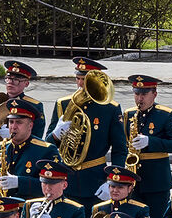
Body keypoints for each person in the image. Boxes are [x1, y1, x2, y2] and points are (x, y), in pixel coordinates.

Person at [49, 57, 125, 207]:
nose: (80, 84)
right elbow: (48, 146)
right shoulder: (63, 104)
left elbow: (119, 149)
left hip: (95, 180)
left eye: (84, 80)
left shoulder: (109, 108)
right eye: (78, 78)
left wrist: (112, 181)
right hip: (66, 180)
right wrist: (56, 135)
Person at [122, 75, 172, 218]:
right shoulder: (129, 114)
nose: (139, 99)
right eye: (136, 94)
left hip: (157, 181)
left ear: (154, 94)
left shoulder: (166, 114)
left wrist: (151, 141)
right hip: (135, 181)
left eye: (144, 94)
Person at [0, 98, 53, 200]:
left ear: (30, 126)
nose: (13, 127)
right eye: (11, 122)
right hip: (1, 207)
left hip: (30, 207)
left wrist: (20, 182)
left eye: (19, 122)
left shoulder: (46, 150)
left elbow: (53, 185)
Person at [0, 61, 46, 137]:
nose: (11, 82)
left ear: (26, 84)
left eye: (16, 80)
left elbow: (37, 135)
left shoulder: (35, 106)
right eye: (8, 78)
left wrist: (14, 135)